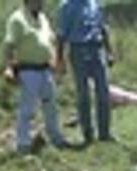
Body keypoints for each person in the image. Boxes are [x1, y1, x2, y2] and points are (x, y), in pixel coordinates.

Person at [3, 0, 68, 155]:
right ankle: (23, 144)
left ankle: (56, 137)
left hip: (45, 69)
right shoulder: (17, 19)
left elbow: (50, 41)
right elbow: (9, 45)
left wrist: (56, 61)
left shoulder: (43, 18)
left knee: (51, 106)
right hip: (28, 70)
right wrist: (9, 68)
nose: (41, 3)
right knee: (27, 108)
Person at [56, 0, 114, 144]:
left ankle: (104, 132)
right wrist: (60, 59)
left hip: (97, 48)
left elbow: (103, 28)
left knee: (103, 91)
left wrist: (109, 51)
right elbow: (61, 34)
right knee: (83, 93)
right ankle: (88, 133)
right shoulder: (66, 6)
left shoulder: (95, 3)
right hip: (78, 50)